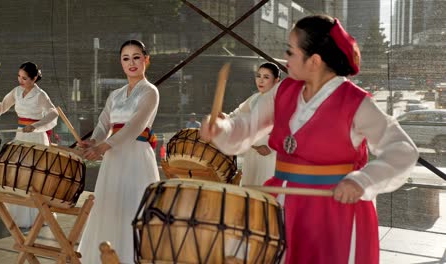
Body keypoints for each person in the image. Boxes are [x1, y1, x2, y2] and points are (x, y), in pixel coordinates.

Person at [200, 15, 419, 264]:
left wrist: (362, 180)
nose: (286, 59)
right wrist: (221, 129)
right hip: (283, 201)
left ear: (314, 61)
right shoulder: (282, 92)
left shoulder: (355, 102)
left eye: (290, 52)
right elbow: (247, 128)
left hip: (336, 208)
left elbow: (402, 149)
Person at [77, 39, 160, 264]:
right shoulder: (115, 95)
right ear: (120, 63)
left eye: (136, 57)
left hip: (136, 157)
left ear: (146, 60)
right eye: (126, 58)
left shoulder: (150, 92)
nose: (131, 63)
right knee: (110, 206)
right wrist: (93, 141)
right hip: (114, 157)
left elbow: (134, 127)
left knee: (134, 207)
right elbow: (104, 125)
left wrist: (103, 147)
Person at [0, 61, 59, 229]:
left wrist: (36, 126)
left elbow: (54, 113)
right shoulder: (16, 92)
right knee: (19, 174)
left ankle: (38, 216)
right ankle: (21, 215)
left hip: (36, 137)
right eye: (19, 77)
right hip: (21, 135)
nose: (20, 81)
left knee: (34, 176)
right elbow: (0, 108)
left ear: (35, 78)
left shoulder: (41, 95)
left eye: (24, 78)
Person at [227, 62, 280, 185]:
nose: (260, 81)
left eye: (266, 77)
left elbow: (289, 129)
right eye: (258, 76)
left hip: (271, 154)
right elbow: (235, 115)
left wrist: (272, 148)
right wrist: (223, 118)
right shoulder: (254, 99)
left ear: (277, 80)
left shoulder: (281, 100)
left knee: (267, 192)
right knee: (250, 191)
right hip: (253, 152)